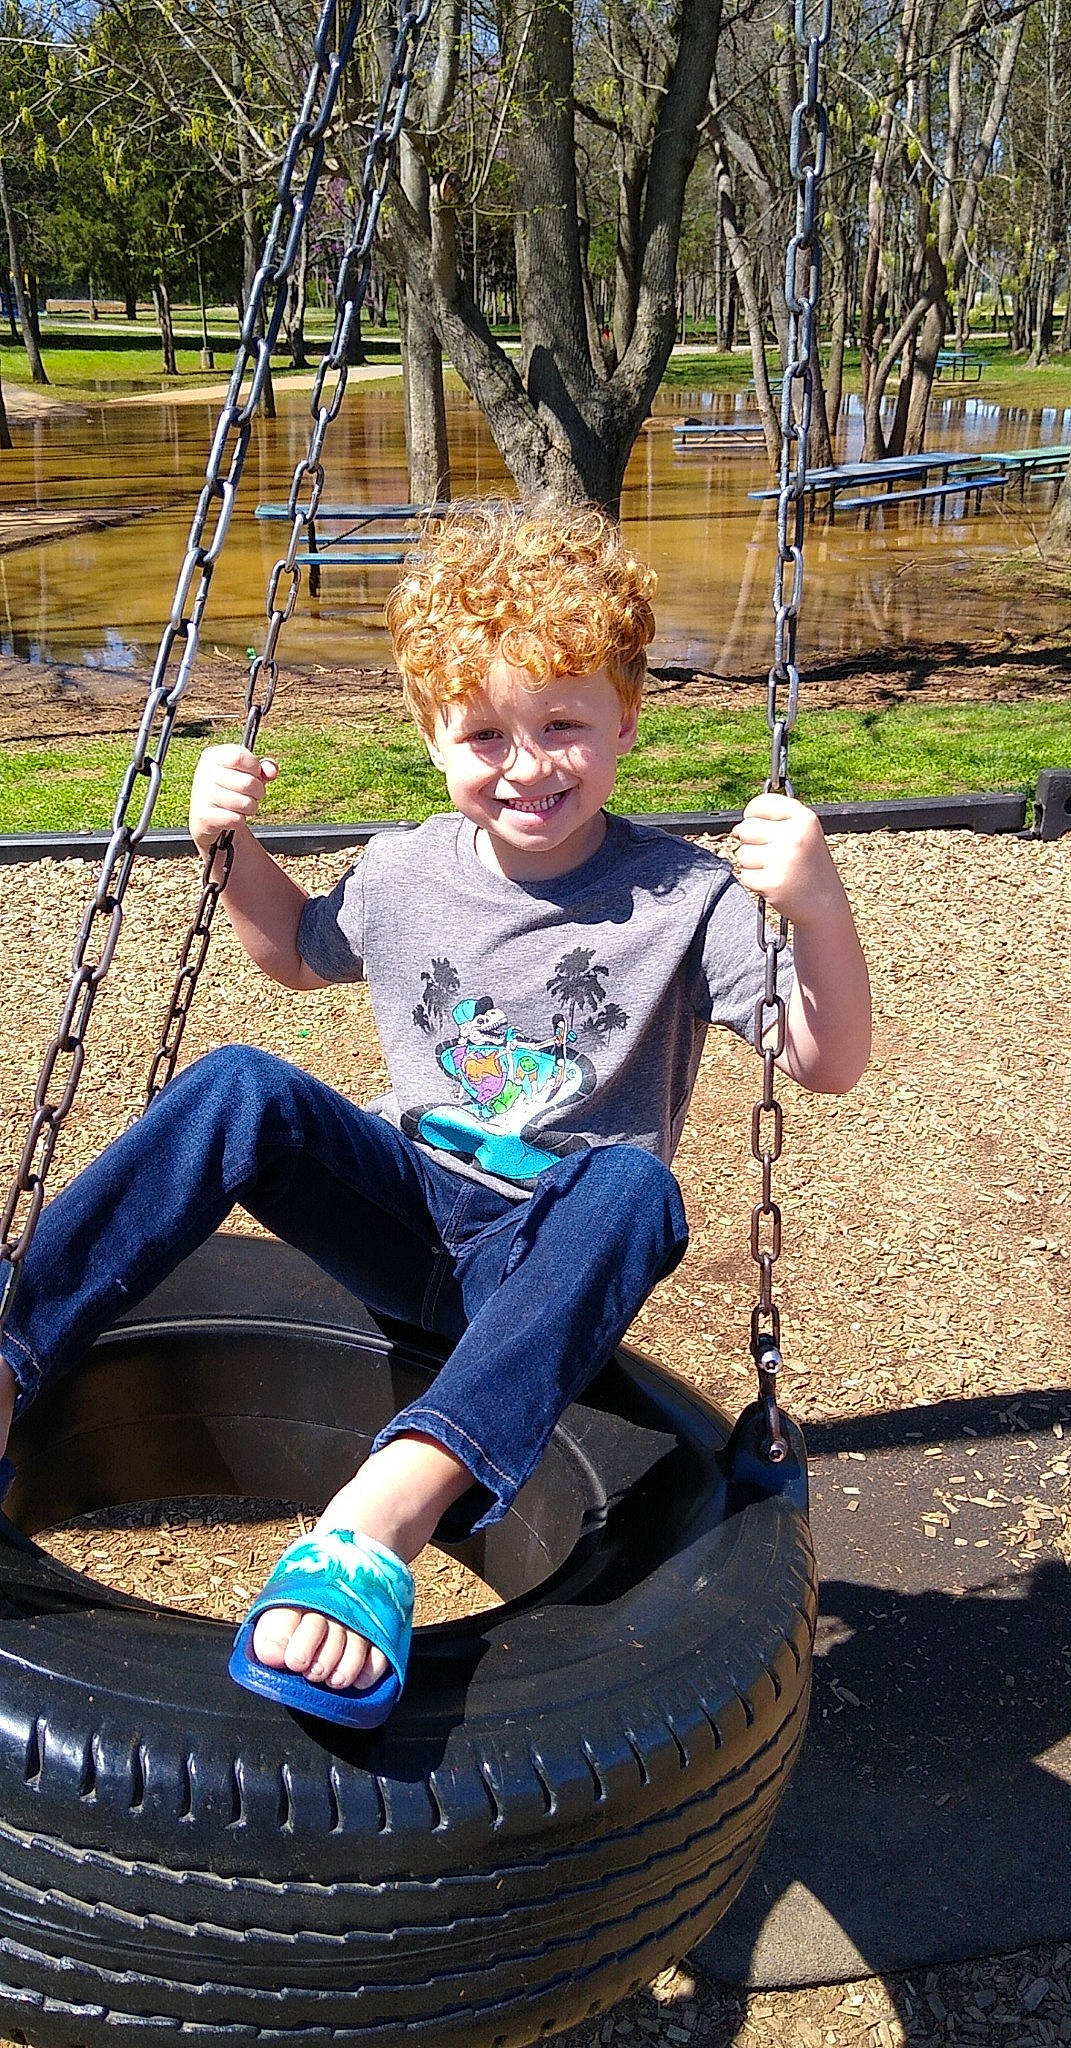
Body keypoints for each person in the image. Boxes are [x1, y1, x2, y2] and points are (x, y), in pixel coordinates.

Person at [0, 499, 870, 1728]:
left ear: (626, 715)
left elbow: (825, 1059)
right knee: (240, 1082)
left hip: (544, 1249)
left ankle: (382, 1514)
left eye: (563, 724)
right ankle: (10, 1357)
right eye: (485, 734)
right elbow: (296, 951)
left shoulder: (685, 897)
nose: (527, 765)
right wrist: (226, 845)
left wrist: (819, 909)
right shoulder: (406, 868)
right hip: (403, 1207)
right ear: (431, 736)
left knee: (634, 1186)